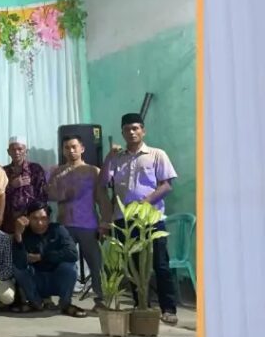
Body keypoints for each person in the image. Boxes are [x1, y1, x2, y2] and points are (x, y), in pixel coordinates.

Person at [98, 113, 180, 324]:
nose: (131, 132)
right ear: (122, 132)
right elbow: (104, 182)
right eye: (127, 129)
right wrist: (108, 157)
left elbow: (166, 185)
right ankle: (141, 305)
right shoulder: (117, 158)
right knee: (133, 266)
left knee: (160, 264)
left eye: (135, 128)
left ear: (143, 131)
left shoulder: (156, 154)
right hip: (124, 221)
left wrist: (145, 203)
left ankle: (168, 308)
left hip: (150, 219)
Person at [47, 135, 103, 307]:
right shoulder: (57, 172)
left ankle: (100, 300)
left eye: (74, 147)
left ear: (82, 148)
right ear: (63, 150)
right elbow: (50, 196)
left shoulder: (93, 171)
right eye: (67, 148)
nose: (71, 151)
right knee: (65, 264)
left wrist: (105, 222)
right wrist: (62, 189)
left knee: (96, 264)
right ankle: (65, 299)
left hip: (89, 225)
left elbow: (102, 199)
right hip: (65, 224)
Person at [12, 202, 87, 317]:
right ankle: (36, 303)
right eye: (35, 218)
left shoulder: (58, 230)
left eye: (43, 218)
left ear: (49, 219)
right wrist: (18, 235)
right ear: (27, 218)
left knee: (70, 267)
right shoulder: (24, 233)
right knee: (17, 268)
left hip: (56, 279)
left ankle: (65, 304)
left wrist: (42, 257)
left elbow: (72, 254)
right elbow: (19, 262)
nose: (39, 223)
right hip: (36, 280)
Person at [2, 136, 48, 233]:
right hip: (9, 222)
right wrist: (12, 186)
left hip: (31, 221)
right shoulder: (3, 171)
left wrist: (34, 216)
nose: (16, 152)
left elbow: (42, 196)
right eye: (13, 149)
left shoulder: (35, 169)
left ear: (26, 151)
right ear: (8, 152)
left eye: (20, 149)